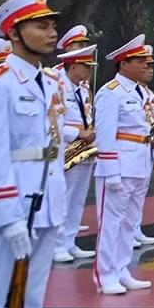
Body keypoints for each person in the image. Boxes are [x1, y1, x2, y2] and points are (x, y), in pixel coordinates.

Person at [0, 0, 79, 308]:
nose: (51, 33)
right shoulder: (2, 82)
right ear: (13, 32)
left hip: (46, 201)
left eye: (52, 25)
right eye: (40, 25)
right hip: (13, 207)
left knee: (29, 305)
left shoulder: (47, 82)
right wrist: (7, 216)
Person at [93, 35, 154, 295]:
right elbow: (105, 134)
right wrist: (110, 170)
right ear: (124, 64)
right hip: (119, 163)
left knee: (129, 222)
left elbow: (148, 130)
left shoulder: (143, 92)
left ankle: (121, 269)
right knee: (111, 222)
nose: (146, 65)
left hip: (139, 160)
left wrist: (153, 157)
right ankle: (106, 274)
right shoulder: (111, 93)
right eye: (140, 60)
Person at [53, 26, 99, 263]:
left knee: (78, 197)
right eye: (85, 65)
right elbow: (50, 119)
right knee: (63, 196)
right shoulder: (54, 81)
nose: (89, 70)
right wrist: (77, 133)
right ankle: (58, 244)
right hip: (65, 147)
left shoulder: (82, 86)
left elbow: (86, 113)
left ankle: (69, 242)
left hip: (85, 146)